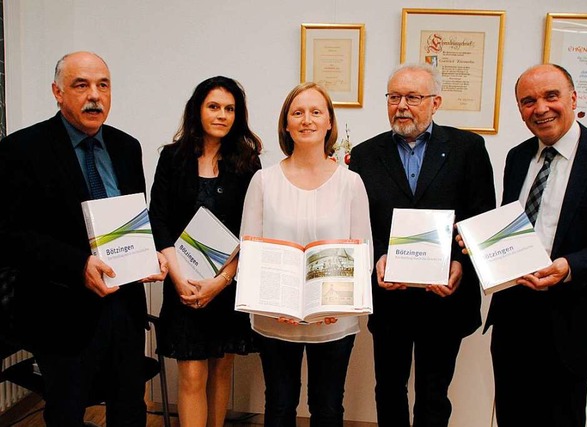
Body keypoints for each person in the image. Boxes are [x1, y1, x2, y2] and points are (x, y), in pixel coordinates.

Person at [0, 51, 168, 426]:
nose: (95, 95)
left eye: (103, 85)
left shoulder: (127, 147)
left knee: (130, 409)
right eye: (82, 85)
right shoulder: (22, 149)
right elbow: (11, 236)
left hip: (124, 309)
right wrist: (78, 265)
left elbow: (133, 221)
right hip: (61, 312)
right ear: (57, 92)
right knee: (67, 412)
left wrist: (148, 253)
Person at [481, 63, 587, 427]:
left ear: (573, 98)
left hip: (574, 322)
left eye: (551, 96)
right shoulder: (518, 157)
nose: (540, 108)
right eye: (528, 101)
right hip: (513, 319)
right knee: (512, 415)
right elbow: (513, 227)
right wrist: (482, 243)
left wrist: (571, 267)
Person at [349, 63, 496, 427]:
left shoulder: (468, 148)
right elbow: (360, 223)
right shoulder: (366, 155)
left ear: (435, 102)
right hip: (390, 296)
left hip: (445, 297)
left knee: (434, 394)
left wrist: (461, 264)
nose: (402, 105)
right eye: (394, 97)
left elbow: (481, 218)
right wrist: (378, 258)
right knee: (389, 388)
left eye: (413, 97)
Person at [240, 82, 372, 427]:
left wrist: (337, 305)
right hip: (274, 318)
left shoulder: (351, 183)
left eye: (316, 112)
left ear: (330, 122)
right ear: (286, 124)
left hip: (333, 320)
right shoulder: (263, 181)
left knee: (327, 408)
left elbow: (362, 252)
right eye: (297, 113)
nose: (307, 120)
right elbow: (251, 251)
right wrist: (273, 303)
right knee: (280, 405)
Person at [148, 76, 262, 427]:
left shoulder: (247, 163)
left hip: (225, 287)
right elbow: (158, 219)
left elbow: (252, 231)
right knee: (192, 376)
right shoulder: (172, 158)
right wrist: (181, 280)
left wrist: (222, 281)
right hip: (184, 284)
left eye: (230, 109)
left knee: (221, 371)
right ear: (197, 109)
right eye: (214, 106)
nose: (222, 115)